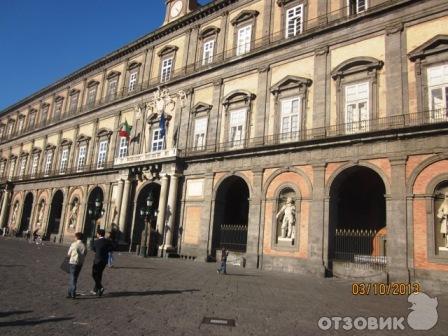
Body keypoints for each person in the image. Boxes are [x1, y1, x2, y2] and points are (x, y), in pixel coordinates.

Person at [91, 229, 112, 296]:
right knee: (99, 274)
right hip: (105, 260)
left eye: (97, 233)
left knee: (94, 274)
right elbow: (112, 247)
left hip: (97, 260)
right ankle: (96, 290)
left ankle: (100, 287)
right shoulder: (107, 241)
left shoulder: (96, 241)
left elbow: (93, 249)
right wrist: (106, 251)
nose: (96, 235)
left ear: (99, 234)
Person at [67, 232, 87, 299]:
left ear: (77, 237)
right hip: (80, 263)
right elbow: (85, 254)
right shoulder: (84, 245)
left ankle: (72, 293)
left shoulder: (74, 244)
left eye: (75, 237)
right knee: (74, 277)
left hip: (73, 262)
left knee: (72, 277)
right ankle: (70, 292)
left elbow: (69, 254)